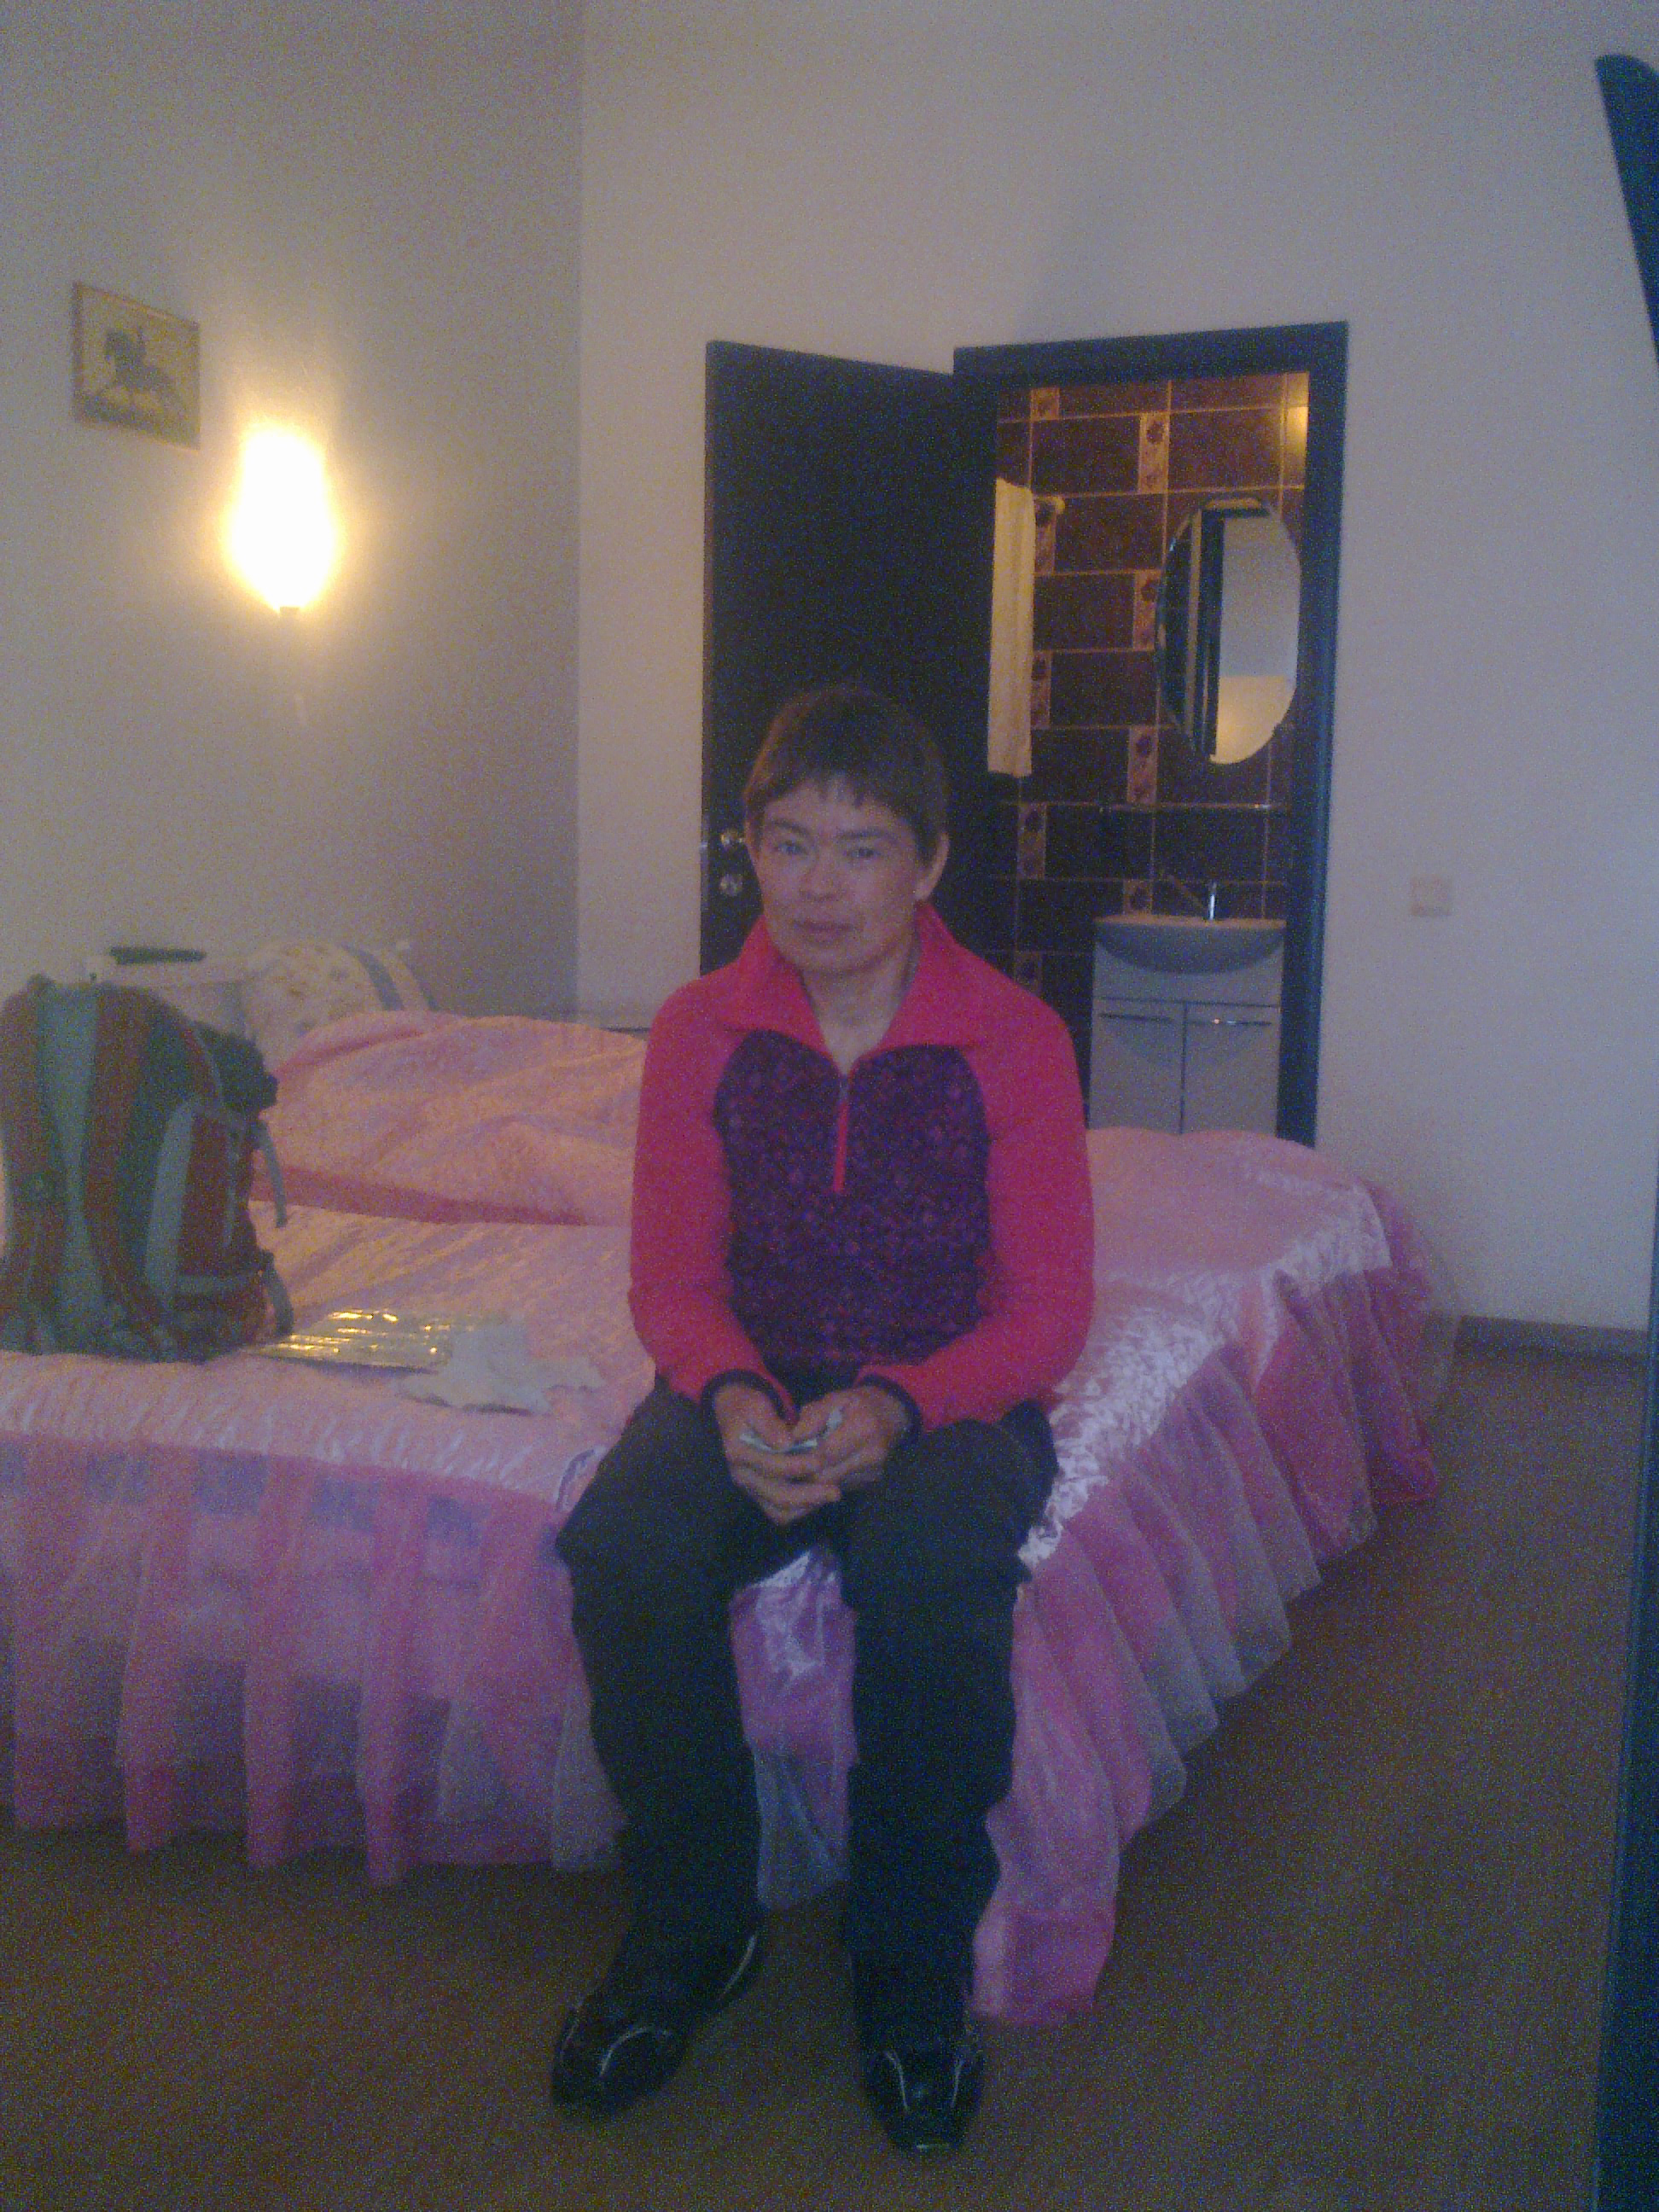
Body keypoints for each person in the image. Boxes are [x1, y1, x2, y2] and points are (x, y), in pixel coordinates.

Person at [550, 684, 1094, 2153]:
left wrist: (903, 1403)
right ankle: (695, 1926)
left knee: (929, 1576)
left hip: (953, 1386)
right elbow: (671, 1280)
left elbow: (1050, 1315)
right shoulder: (699, 1029)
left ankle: (910, 1968)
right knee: (625, 1549)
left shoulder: (1014, 1039)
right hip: (753, 1375)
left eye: (861, 851)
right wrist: (732, 1390)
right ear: (750, 852)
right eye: (787, 845)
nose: (818, 888)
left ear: (929, 864)